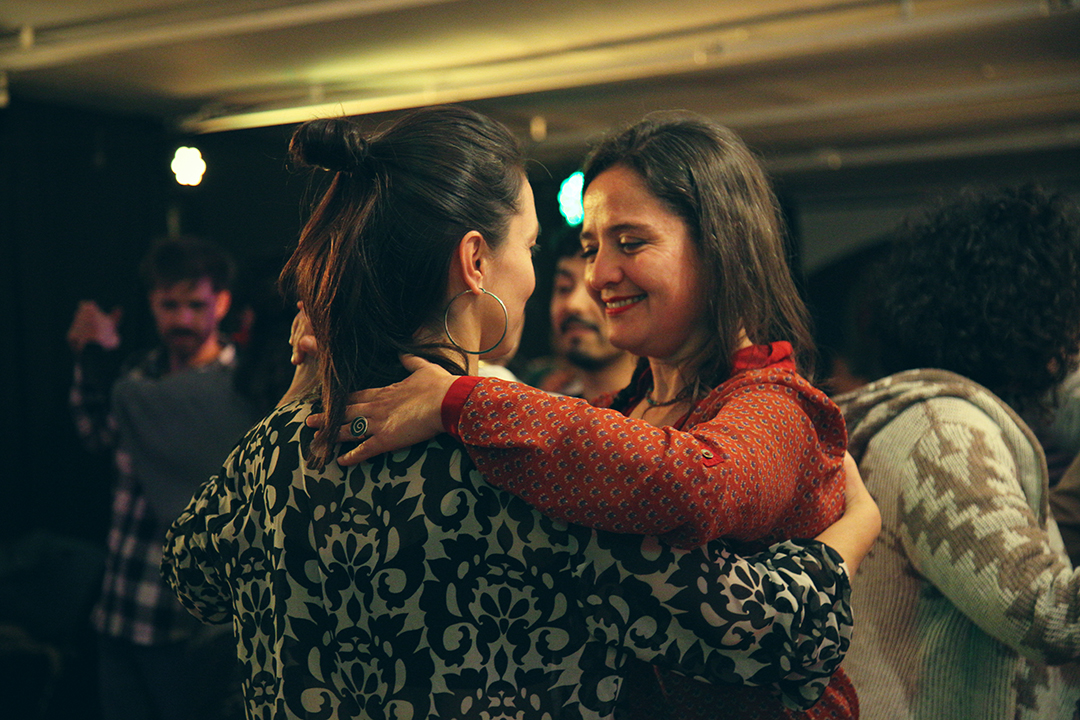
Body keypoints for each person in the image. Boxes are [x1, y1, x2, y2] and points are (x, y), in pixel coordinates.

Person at [162, 106, 876, 720]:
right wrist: (854, 529)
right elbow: (775, 633)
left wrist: (302, 394)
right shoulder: (528, 473)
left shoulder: (282, 444)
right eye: (537, 247)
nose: (589, 276)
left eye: (627, 243)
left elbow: (191, 574)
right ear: (476, 262)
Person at [833, 186, 1080, 719]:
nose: (1072, 346)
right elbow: (1049, 615)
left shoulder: (937, 416)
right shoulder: (941, 433)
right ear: (1033, 322)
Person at [68, 236, 257, 720]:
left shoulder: (242, 387)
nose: (182, 319)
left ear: (222, 303)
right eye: (169, 305)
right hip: (121, 606)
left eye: (196, 305)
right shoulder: (138, 374)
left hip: (188, 623)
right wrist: (88, 357)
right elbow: (95, 436)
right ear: (151, 302)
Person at [522, 225, 636, 400]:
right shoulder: (538, 404)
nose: (573, 304)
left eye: (597, 289)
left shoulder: (668, 411)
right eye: (564, 287)